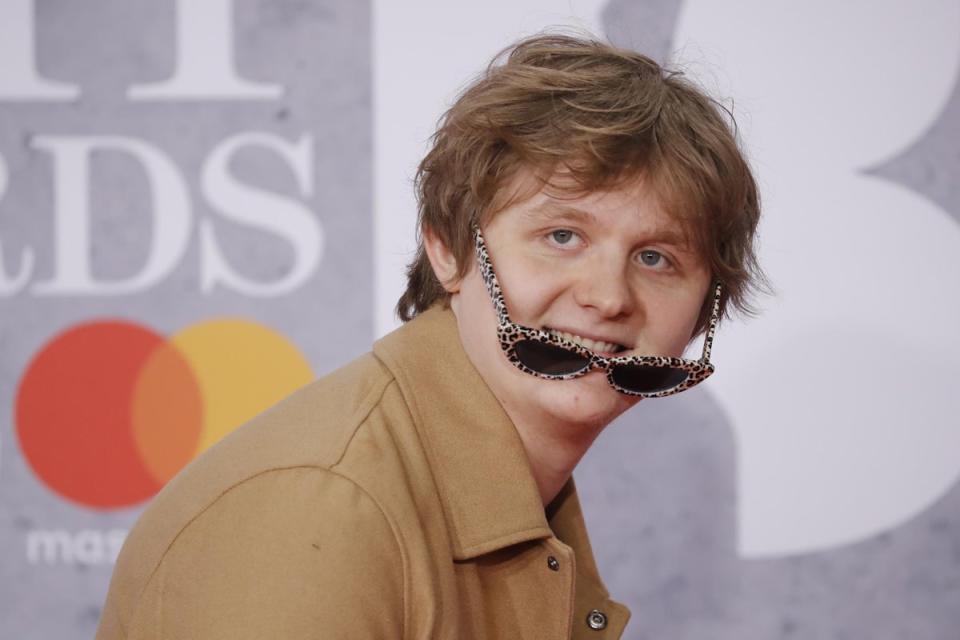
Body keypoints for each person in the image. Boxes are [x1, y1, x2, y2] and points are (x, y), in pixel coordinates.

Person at [96, 33, 761, 639]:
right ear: (447, 248)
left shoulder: (527, 496)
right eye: (562, 237)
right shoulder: (318, 514)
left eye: (656, 259)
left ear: (707, 303)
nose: (609, 296)